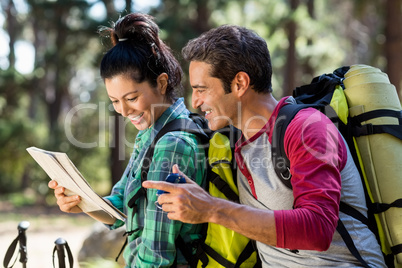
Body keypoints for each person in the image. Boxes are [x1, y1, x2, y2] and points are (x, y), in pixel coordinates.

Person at [143, 25, 387, 267]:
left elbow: (318, 229)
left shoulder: (307, 128)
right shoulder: (239, 144)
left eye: (202, 89)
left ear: (239, 83)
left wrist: (212, 209)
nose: (195, 101)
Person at [48, 13, 206, 267]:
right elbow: (121, 207)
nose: (123, 110)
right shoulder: (151, 133)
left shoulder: (171, 144)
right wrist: (80, 202)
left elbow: (156, 256)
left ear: (161, 83)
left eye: (131, 98)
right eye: (114, 101)